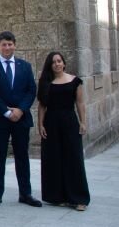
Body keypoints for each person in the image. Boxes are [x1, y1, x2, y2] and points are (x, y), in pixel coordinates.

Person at [0, 31, 41, 208]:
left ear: (15, 45)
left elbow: (31, 90)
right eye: (4, 44)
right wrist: (5, 111)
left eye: (10, 44)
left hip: (21, 118)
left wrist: (20, 110)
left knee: (22, 156)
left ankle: (25, 193)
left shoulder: (24, 66)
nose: (7, 47)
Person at [37, 52, 90, 211]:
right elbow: (42, 106)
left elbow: (80, 103)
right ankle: (56, 196)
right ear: (50, 65)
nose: (57, 64)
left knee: (74, 159)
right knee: (53, 159)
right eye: (53, 62)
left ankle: (79, 199)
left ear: (64, 63)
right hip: (51, 123)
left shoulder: (75, 81)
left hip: (69, 122)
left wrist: (83, 122)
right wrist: (40, 125)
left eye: (59, 61)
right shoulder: (46, 82)